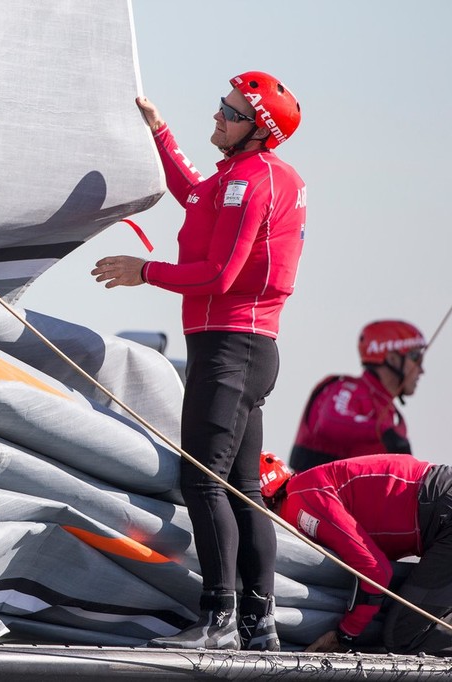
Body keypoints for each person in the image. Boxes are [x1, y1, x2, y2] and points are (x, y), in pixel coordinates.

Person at [92, 72, 305, 650]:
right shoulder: (244, 174)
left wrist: (146, 271)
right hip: (248, 350)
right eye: (221, 106)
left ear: (257, 130)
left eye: (230, 112)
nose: (217, 116)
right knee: (241, 489)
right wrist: (161, 133)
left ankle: (220, 620)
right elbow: (193, 194)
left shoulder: (250, 182)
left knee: (203, 482)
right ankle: (259, 624)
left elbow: (219, 275)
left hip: (230, 350)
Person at [261, 452, 452, 654]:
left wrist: (344, 636)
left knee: (403, 634)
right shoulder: (306, 487)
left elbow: (375, 571)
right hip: (440, 504)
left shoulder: (300, 501)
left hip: (443, 514)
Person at [289, 320, 427, 472]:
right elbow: (330, 421)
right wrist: (383, 431)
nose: (421, 370)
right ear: (392, 358)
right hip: (313, 492)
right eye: (416, 358)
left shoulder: (395, 419)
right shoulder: (347, 388)